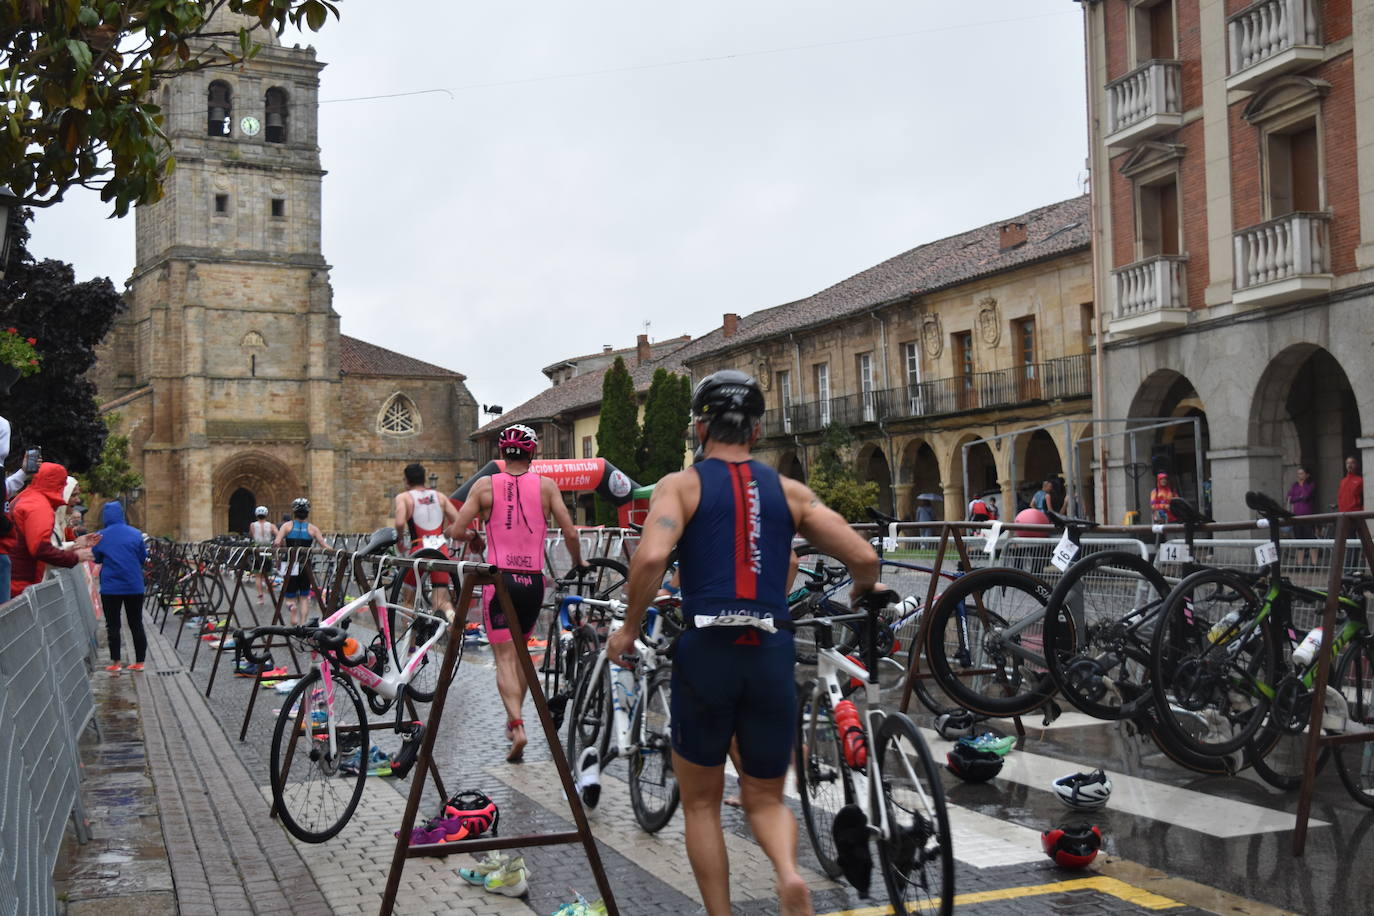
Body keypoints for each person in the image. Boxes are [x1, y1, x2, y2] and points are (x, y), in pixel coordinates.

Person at [606, 370, 880, 916]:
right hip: (771, 652)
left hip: (708, 651)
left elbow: (653, 556)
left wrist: (630, 628)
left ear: (701, 428)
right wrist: (863, 590)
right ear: (754, 431)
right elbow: (865, 557)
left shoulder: (681, 486)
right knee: (766, 798)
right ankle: (788, 874)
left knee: (703, 804)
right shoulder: (788, 490)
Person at [448, 424, 586, 763]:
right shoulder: (547, 486)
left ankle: (517, 724)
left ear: (501, 453)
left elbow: (455, 529)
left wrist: (474, 540)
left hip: (500, 580)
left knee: (505, 658)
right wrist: (579, 561)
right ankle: (516, 721)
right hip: (533, 581)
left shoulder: (484, 485)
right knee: (522, 653)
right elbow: (569, 530)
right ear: (532, 453)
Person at [7, 462, 96, 596]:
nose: (77, 500)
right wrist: (74, 557)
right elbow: (40, 548)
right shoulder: (39, 506)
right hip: (20, 585)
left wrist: (73, 546)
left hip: (14, 580)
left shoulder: (27, 498)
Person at [394, 462, 460, 622]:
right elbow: (457, 520)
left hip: (419, 549)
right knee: (442, 601)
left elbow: (399, 522)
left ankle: (409, 646)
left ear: (406, 481)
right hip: (440, 550)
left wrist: (400, 539)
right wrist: (446, 534)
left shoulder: (404, 497)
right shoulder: (440, 497)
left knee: (408, 602)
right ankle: (456, 633)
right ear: (424, 479)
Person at [92, 501, 148, 673]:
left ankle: (116, 662)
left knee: (113, 625)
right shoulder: (136, 533)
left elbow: (97, 558)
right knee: (136, 623)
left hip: (111, 587)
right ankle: (139, 662)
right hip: (134, 585)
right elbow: (142, 557)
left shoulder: (100, 535)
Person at [273, 497, 330, 625]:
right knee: (304, 597)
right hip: (306, 565)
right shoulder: (312, 528)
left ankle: (292, 609)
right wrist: (337, 552)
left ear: (294, 512)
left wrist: (278, 555)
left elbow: (277, 543)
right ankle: (303, 624)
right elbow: (324, 545)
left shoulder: (286, 526)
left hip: (289, 564)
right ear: (307, 513)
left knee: (289, 596)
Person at [1287, 465, 1318, 566]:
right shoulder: (1295, 485)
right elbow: (1290, 498)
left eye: (1301, 473)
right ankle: (1299, 563)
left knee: (1311, 538)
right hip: (1296, 516)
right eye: (1298, 474)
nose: (1299, 476)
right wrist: (1298, 497)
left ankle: (1314, 563)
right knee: (1299, 539)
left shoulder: (1311, 484)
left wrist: (1299, 496)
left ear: (1307, 475)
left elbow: (1306, 495)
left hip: (1308, 515)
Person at [249, 505, 277, 604]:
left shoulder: (253, 525)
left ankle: (260, 598)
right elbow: (278, 536)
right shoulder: (271, 525)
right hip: (267, 549)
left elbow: (251, 535)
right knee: (267, 575)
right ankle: (272, 596)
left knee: (258, 575)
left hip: (257, 549)